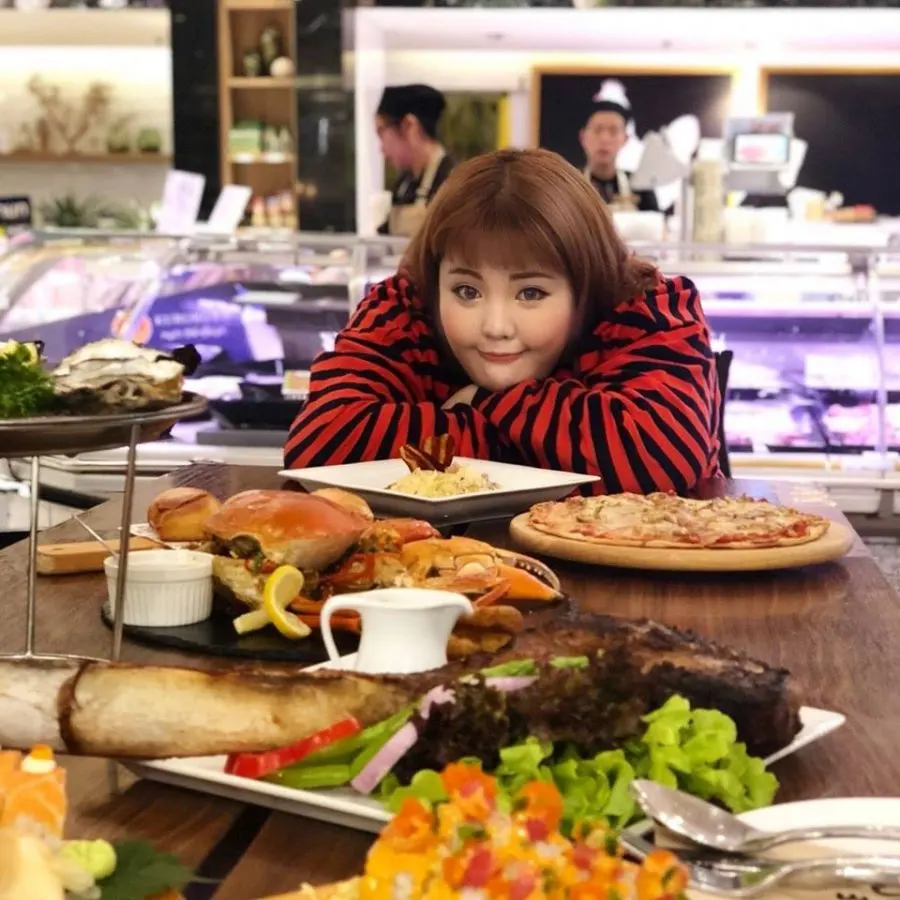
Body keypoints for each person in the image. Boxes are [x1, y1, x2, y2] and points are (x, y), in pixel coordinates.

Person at [285, 148, 721, 496]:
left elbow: (655, 458)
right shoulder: (404, 308)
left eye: (530, 293)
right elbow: (320, 446)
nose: (495, 326)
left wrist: (475, 406)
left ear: (584, 287)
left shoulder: (646, 308)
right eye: (466, 291)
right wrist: (545, 444)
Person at [375, 84, 454, 237]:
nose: (381, 148)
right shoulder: (403, 185)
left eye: (381, 132)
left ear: (409, 126)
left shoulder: (453, 183)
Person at [580, 93, 659, 213]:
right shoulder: (568, 183)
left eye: (613, 131)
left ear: (625, 139)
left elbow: (656, 223)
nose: (605, 139)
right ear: (583, 137)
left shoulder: (640, 186)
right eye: (597, 130)